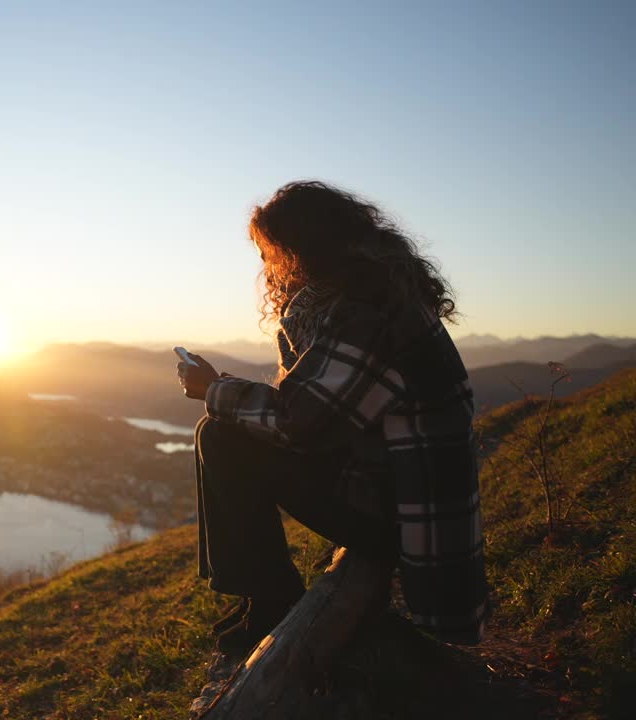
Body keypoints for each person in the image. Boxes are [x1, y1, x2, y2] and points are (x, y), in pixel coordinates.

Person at [177, 181, 487, 656]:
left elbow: (303, 421)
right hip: (389, 489)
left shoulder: (367, 310)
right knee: (219, 429)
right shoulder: (371, 295)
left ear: (299, 248)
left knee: (224, 437)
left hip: (398, 513)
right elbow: (317, 409)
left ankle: (271, 601)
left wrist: (213, 389)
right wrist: (223, 393)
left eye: (271, 251)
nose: (267, 266)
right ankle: (260, 596)